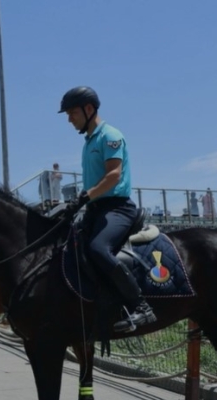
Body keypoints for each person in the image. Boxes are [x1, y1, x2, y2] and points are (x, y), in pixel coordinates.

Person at [59, 86, 156, 332]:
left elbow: (114, 174)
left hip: (118, 208)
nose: (69, 119)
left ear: (89, 109)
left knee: (98, 249)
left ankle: (141, 307)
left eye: (72, 113)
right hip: (95, 208)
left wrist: (85, 196)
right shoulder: (89, 140)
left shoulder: (110, 135)